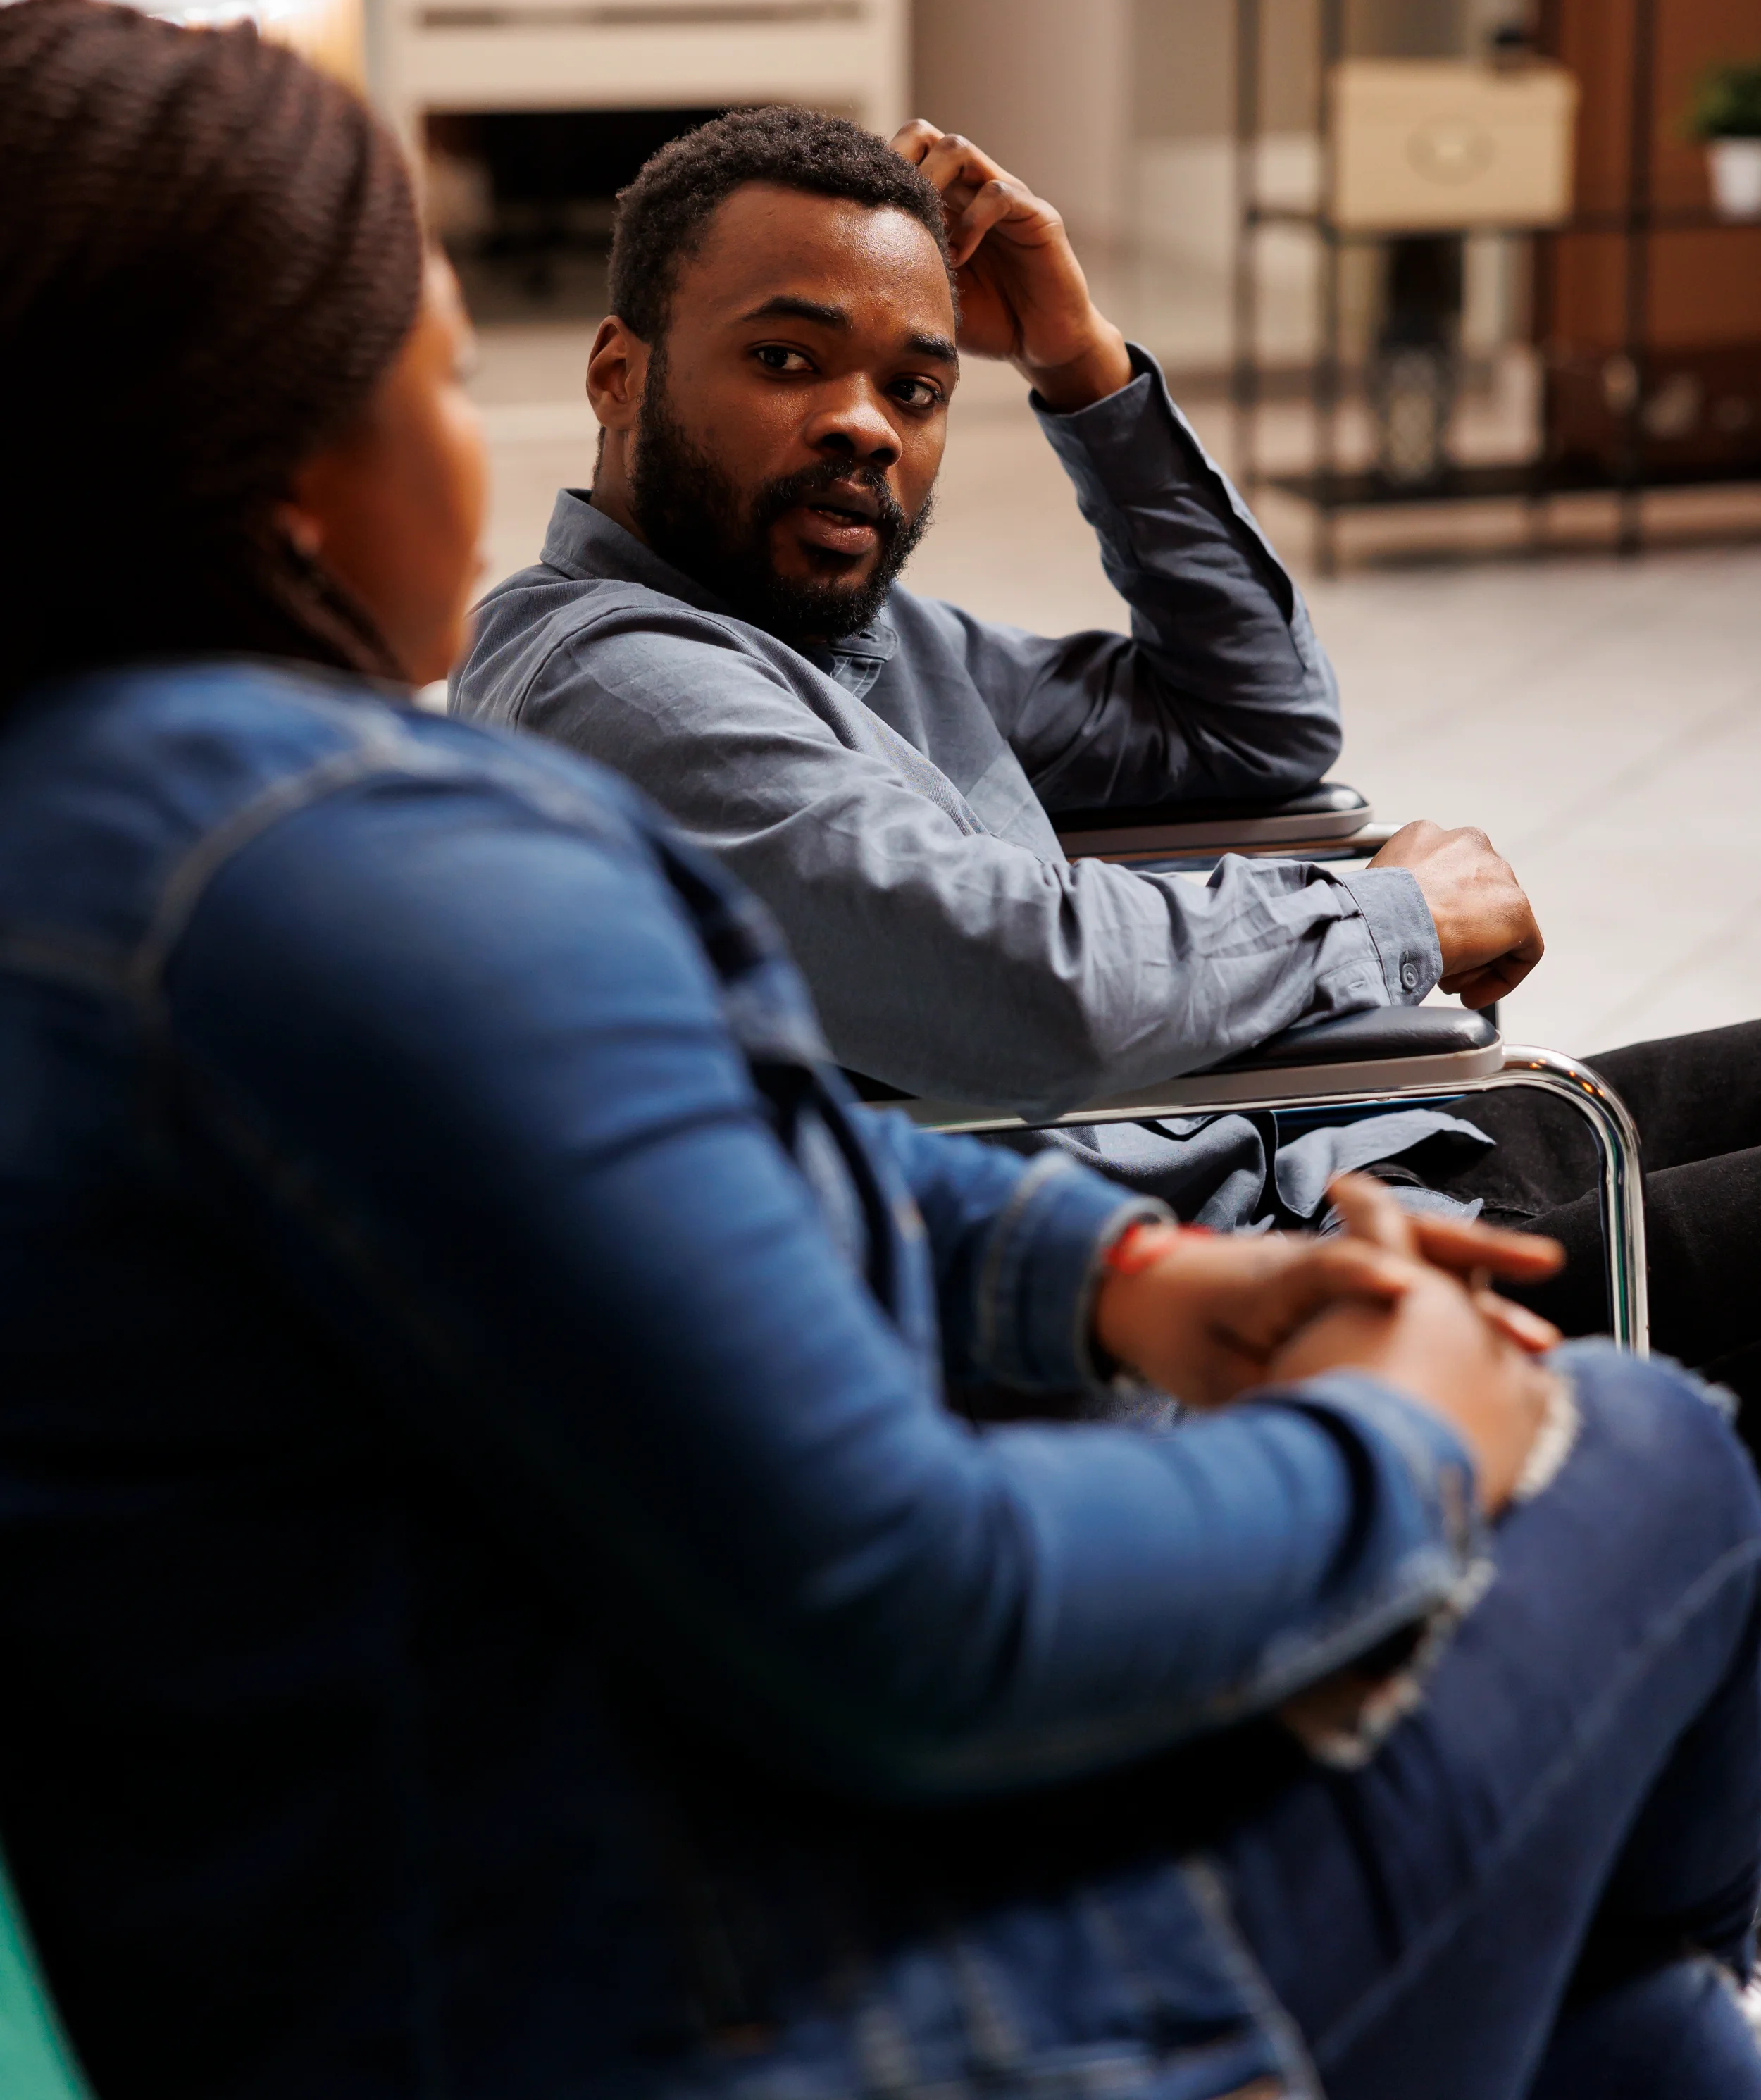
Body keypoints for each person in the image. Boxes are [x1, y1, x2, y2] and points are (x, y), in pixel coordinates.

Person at [4, 0, 1761, 2100]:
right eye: (434, 343)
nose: (860, 423)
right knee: (1656, 1465)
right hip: (797, 1999)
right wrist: (1392, 1449)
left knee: (1621, 2007)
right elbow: (920, 1609)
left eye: (912, 389)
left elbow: (702, 1137)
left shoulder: (143, 820)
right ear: (296, 453)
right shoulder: (338, 874)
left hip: (664, 1864)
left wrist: (1119, 1271)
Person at [452, 108, 1761, 1429]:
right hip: (1223, 1307)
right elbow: (1027, 985)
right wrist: (1396, 916)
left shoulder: (836, 627)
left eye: (915, 388)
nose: (865, 428)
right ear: (619, 373)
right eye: (787, 359)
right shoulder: (619, 684)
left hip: (1328, 1158)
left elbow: (1256, 723)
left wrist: (1081, 365)